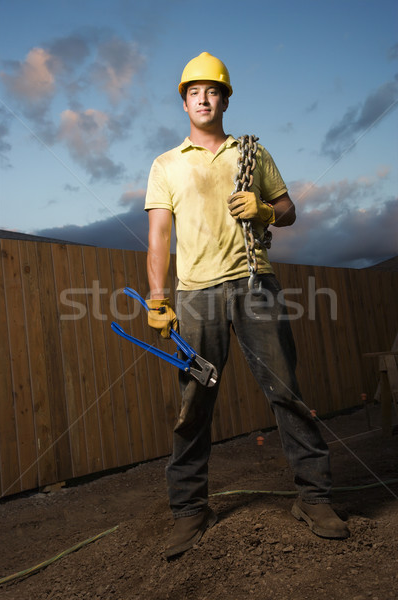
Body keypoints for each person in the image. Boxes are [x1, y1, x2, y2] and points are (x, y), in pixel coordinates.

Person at [144, 51, 349, 559]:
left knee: (287, 393)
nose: (203, 98)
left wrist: (265, 209)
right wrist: (157, 297)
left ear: (225, 98)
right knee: (194, 404)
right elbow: (158, 236)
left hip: (255, 284)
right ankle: (190, 510)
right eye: (194, 92)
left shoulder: (251, 153)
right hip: (195, 295)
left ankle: (314, 498)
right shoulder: (166, 165)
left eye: (212, 90)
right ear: (184, 101)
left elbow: (288, 209)